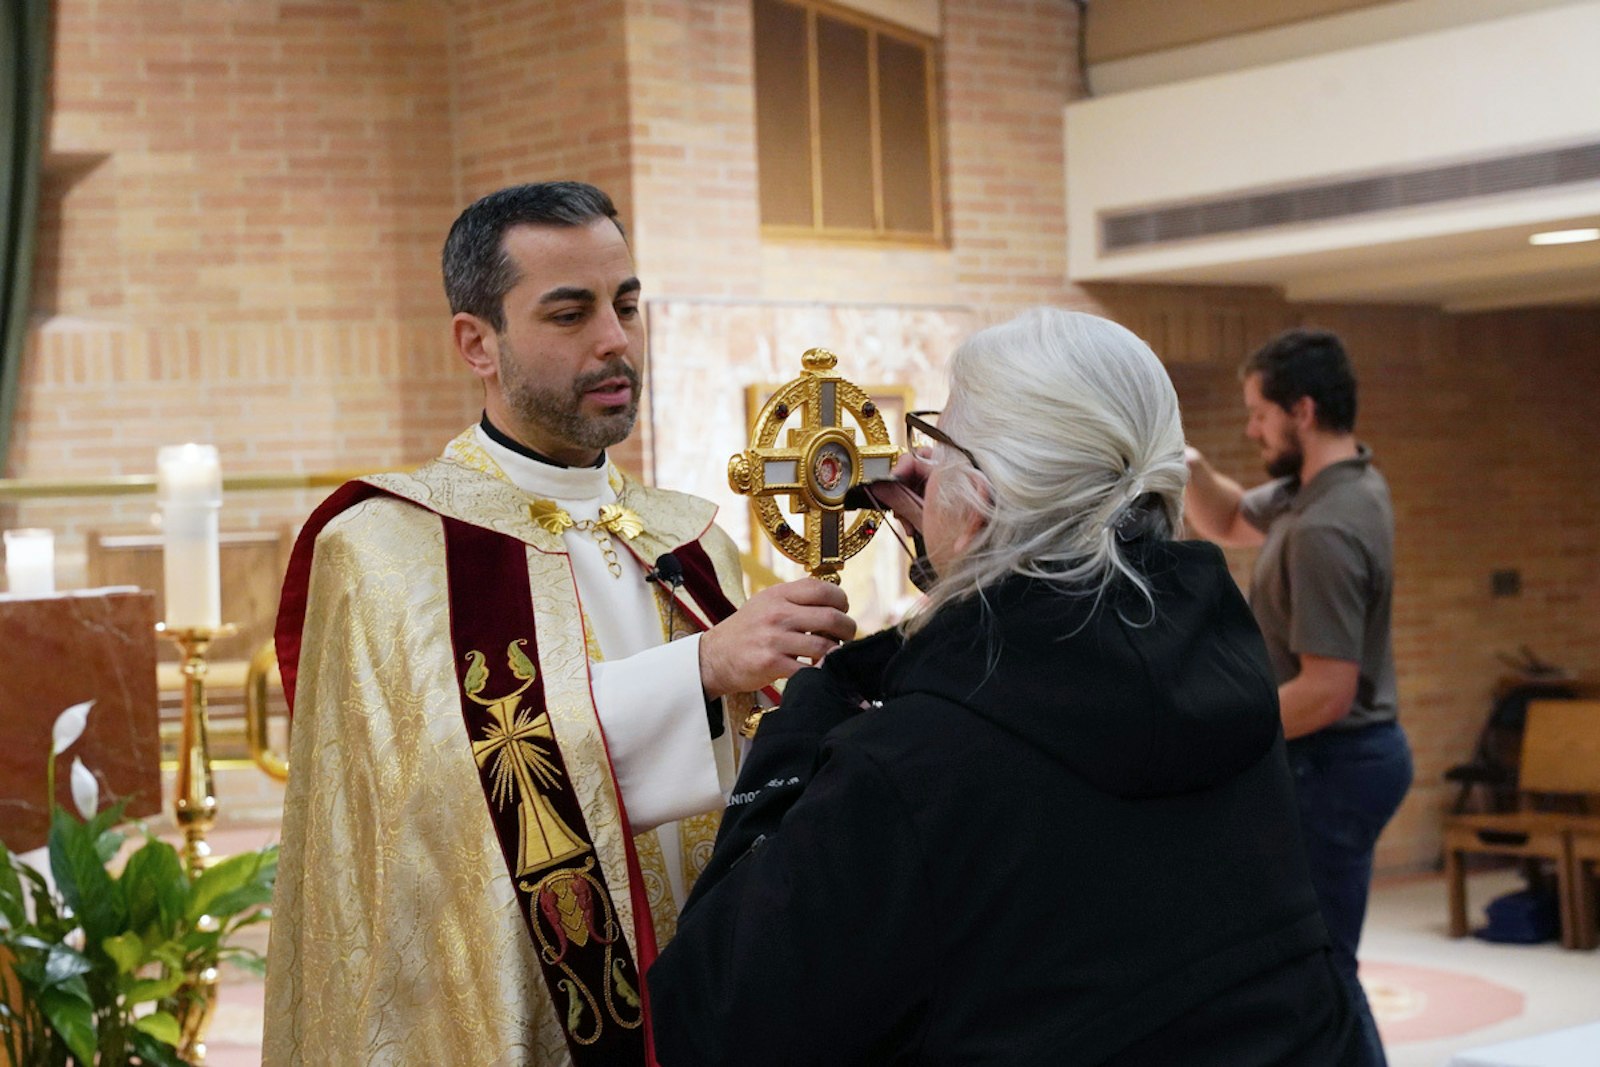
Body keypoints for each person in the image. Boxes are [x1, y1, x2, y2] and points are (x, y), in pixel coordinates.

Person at [647, 308, 1360, 1066]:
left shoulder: (905, 765)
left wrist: (804, 722)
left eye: (941, 443)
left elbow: (712, 1019)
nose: (921, 458)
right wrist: (965, 566)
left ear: (981, 500)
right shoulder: (1227, 673)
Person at [263, 181, 855, 1066]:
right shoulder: (385, 550)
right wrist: (695, 671)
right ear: (478, 343)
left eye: (625, 304)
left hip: (710, 1003)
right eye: (570, 314)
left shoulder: (691, 538)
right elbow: (433, 815)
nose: (615, 341)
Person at [1183, 327, 1411, 1067]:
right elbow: (1222, 518)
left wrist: (1213, 725)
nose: (1250, 428)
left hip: (1338, 761)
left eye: (1258, 413)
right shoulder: (1329, 484)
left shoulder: (1327, 526)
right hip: (1340, 757)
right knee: (1314, 961)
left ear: (1302, 410)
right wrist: (1180, 462)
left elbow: (1327, 690)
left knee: (1321, 966)